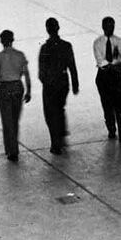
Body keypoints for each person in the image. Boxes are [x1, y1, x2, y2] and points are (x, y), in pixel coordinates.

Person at [0, 30, 32, 161]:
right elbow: (26, 74)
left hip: (5, 88)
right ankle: (12, 148)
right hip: (17, 86)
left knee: (7, 120)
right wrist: (28, 90)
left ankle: (11, 150)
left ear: (1, 41)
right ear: (12, 40)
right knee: (15, 120)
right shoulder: (20, 55)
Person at [38, 18, 80, 155]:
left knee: (50, 113)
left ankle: (55, 142)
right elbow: (72, 66)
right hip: (63, 82)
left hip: (50, 84)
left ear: (47, 29)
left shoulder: (45, 48)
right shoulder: (66, 46)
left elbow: (41, 71)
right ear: (58, 28)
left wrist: (46, 82)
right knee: (59, 109)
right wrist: (75, 84)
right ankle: (61, 136)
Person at [93, 16, 121, 141]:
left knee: (120, 104)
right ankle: (111, 128)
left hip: (115, 76)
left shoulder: (118, 41)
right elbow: (101, 61)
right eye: (108, 26)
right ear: (103, 27)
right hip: (104, 77)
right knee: (107, 105)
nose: (111, 28)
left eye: (113, 26)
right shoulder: (98, 42)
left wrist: (116, 66)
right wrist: (115, 66)